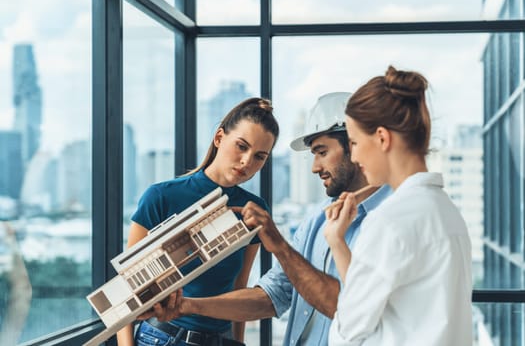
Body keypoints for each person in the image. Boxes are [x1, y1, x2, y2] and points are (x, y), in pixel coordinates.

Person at [142, 92, 391, 346]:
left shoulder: (391, 222)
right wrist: (185, 306)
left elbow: (348, 308)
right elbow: (273, 295)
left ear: (355, 145)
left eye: (322, 152)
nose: (314, 167)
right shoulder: (316, 219)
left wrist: (280, 246)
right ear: (219, 138)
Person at [324, 66, 472, 345]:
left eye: (354, 142)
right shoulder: (447, 213)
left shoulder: (390, 221)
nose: (354, 156)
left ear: (382, 137)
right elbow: (376, 299)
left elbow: (349, 329)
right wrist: (338, 242)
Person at [116, 97, 279, 346]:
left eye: (259, 156)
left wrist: (238, 343)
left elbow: (239, 287)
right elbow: (127, 289)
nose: (247, 162)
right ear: (219, 138)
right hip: (162, 338)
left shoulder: (254, 211)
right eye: (241, 146)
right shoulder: (161, 196)